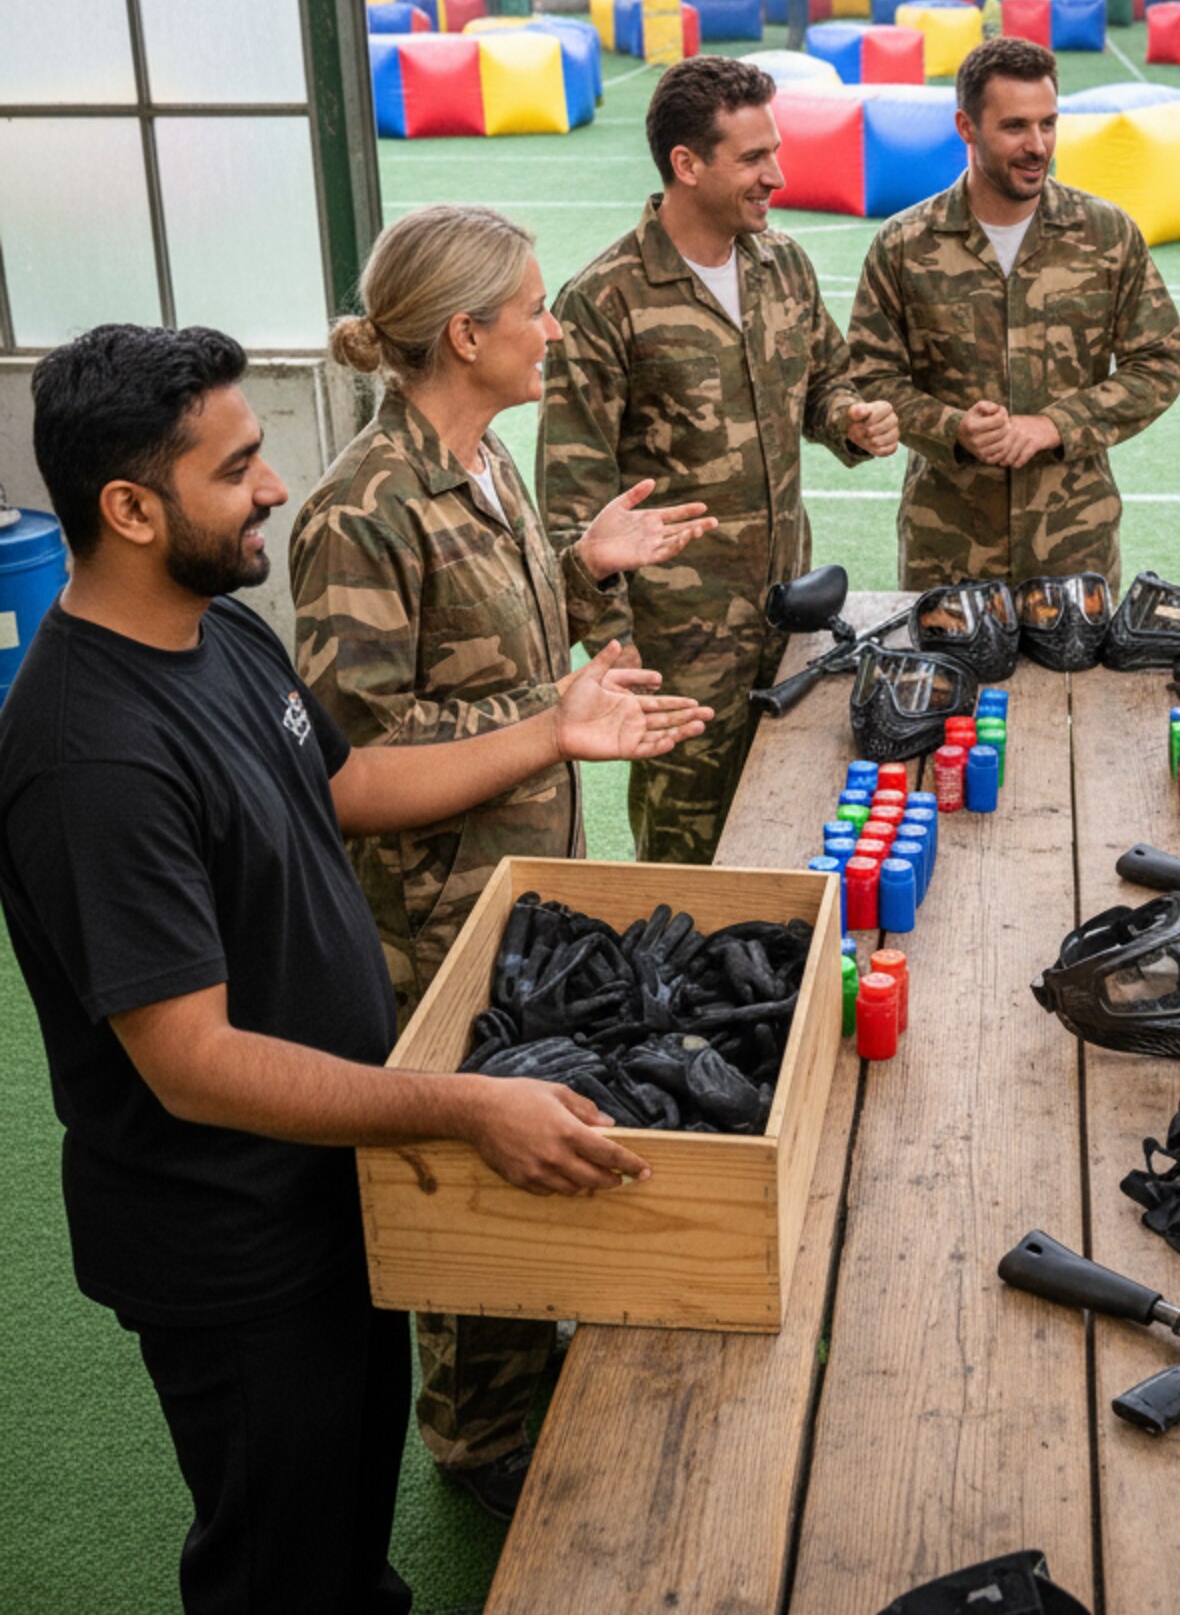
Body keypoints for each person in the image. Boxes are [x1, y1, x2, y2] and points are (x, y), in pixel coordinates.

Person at [0, 324, 699, 1615]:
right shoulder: (91, 755)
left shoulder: (223, 636)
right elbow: (193, 1063)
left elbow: (352, 784)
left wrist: (554, 729)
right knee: (280, 1568)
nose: (274, 485)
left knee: (342, 1535)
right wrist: (464, 1104)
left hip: (331, 1187)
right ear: (129, 509)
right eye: (239, 466)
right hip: (233, 1243)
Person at [291, 203, 716, 1516]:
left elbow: (490, 651)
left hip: (521, 902)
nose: (554, 326)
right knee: (472, 1184)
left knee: (536, 1144)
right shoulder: (361, 514)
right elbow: (349, 781)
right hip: (432, 930)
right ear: (465, 334)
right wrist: (551, 729)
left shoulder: (485, 461)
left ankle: (532, 1370)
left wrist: (585, 570)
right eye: (532, 309)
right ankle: (481, 1455)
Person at [541, 57, 900, 864]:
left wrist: (852, 418)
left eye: (775, 150)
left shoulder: (785, 267)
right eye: (753, 158)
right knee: (687, 858)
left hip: (790, 618)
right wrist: (621, 646)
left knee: (797, 826)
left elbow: (825, 381)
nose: (777, 174)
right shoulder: (603, 301)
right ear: (687, 164)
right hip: (678, 651)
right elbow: (573, 495)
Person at [845, 34, 1180, 589]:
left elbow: (1160, 364)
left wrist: (1055, 424)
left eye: (1047, 123)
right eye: (1014, 127)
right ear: (966, 127)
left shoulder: (1105, 233)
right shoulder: (904, 244)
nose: (1037, 145)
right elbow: (869, 377)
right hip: (948, 551)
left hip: (1075, 544)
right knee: (950, 679)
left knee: (1076, 681)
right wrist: (952, 429)